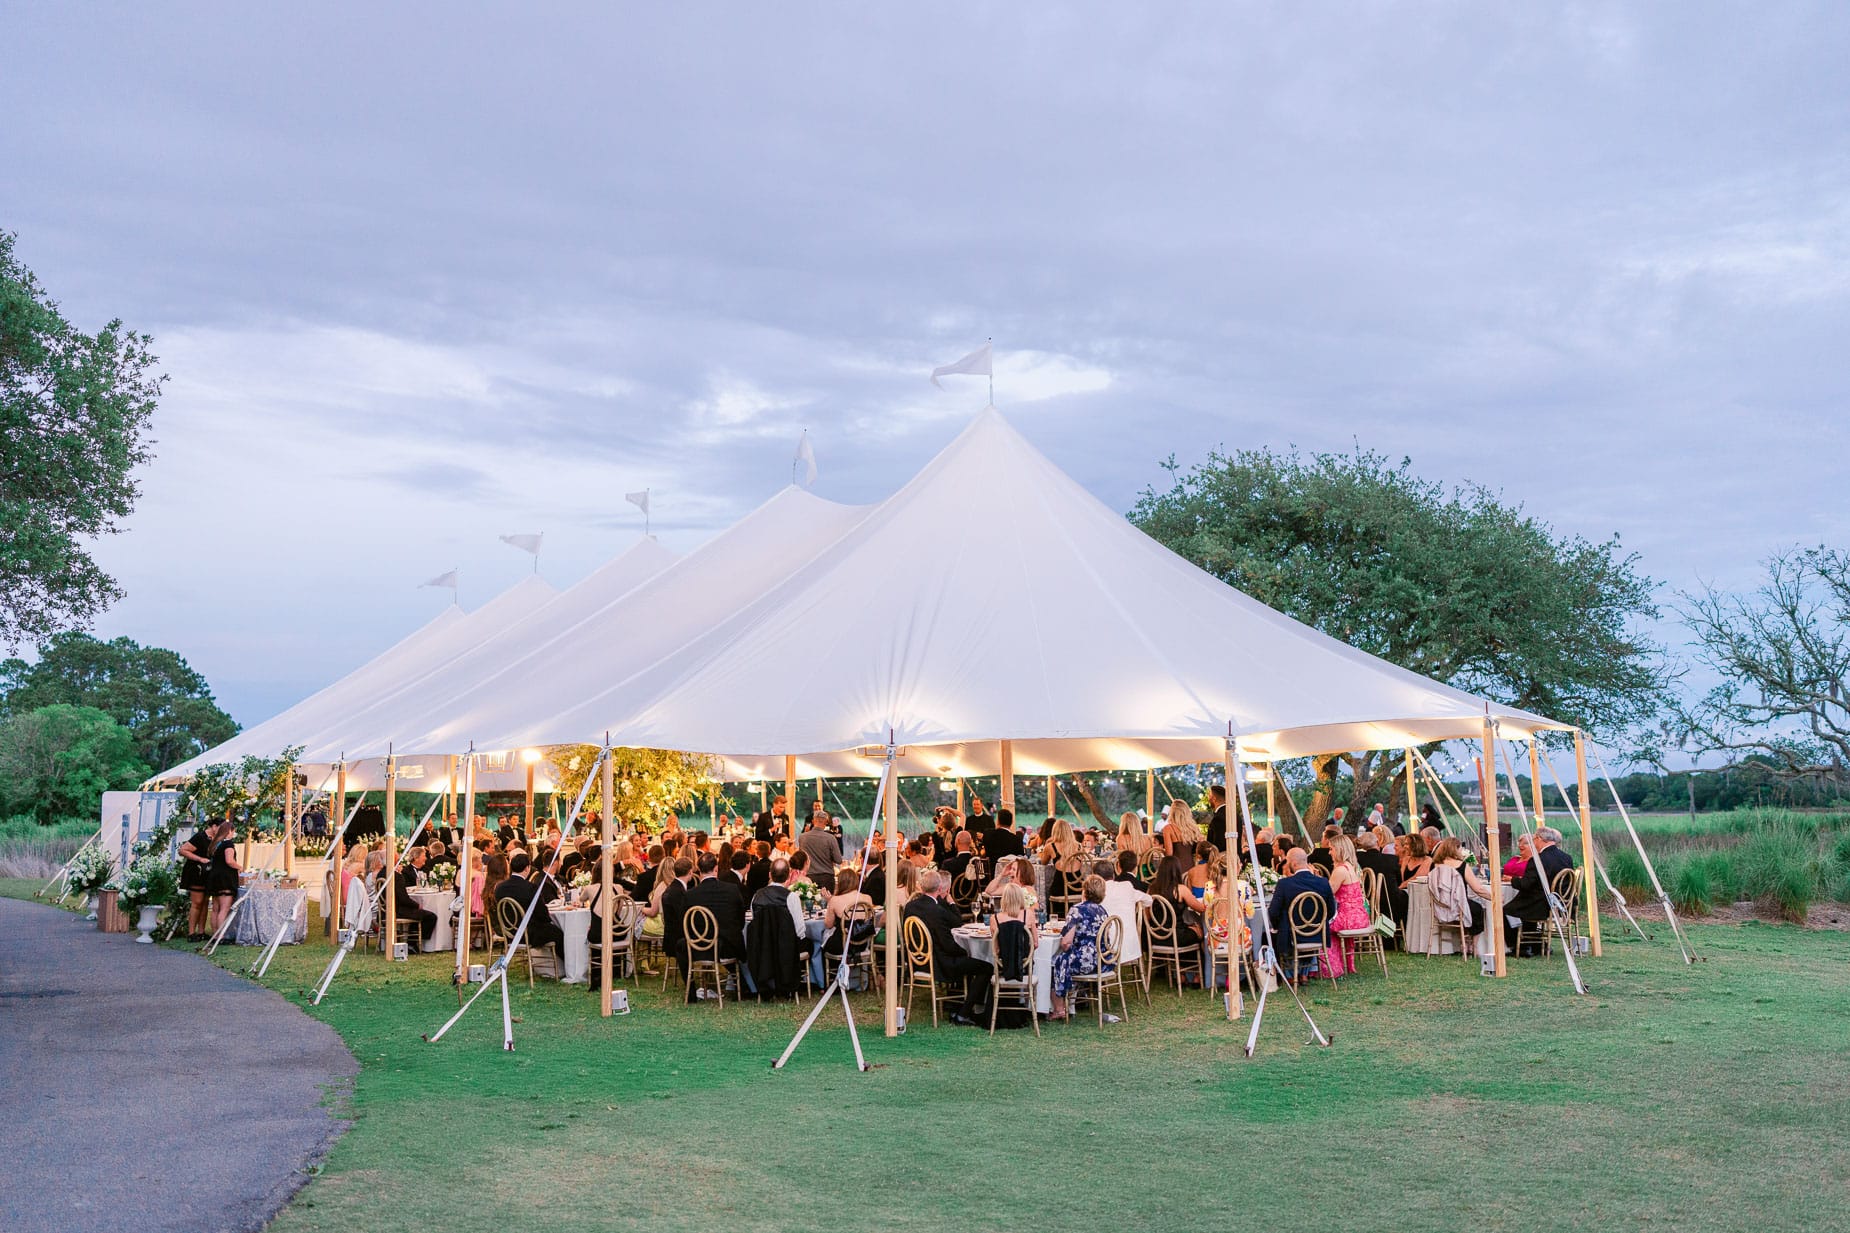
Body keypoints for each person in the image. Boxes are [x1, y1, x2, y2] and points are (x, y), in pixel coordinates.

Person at [902, 870, 990, 1024]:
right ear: (939, 889)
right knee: (986, 967)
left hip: (917, 961)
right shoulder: (937, 910)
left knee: (970, 963)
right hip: (940, 964)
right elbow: (948, 945)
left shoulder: (910, 906)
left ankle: (957, 1004)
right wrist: (967, 951)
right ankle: (964, 1013)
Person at [683, 852, 748, 999]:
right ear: (716, 868)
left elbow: (686, 922)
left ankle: (691, 992)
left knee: (681, 945)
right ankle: (742, 984)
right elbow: (741, 919)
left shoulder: (690, 894)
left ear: (699, 870)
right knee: (734, 937)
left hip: (699, 946)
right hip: (728, 947)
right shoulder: (732, 890)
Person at [1049, 875, 1113, 1021]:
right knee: (1067, 958)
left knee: (1055, 962)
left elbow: (1066, 943)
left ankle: (1059, 1008)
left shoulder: (1077, 910)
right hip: (1104, 961)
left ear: (1084, 891)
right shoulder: (1102, 911)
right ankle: (1072, 1003)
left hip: (1087, 962)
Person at [1503, 826, 1574, 953]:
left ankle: (1519, 947)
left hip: (1541, 904)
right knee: (1523, 906)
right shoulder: (1566, 857)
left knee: (1506, 910)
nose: (1533, 842)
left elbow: (1526, 884)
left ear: (1540, 839)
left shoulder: (1538, 859)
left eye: (1534, 839)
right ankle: (1536, 945)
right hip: (1562, 904)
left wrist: (1511, 880)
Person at [1267, 849, 1335, 979]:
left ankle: (1290, 975)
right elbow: (1331, 910)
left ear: (1293, 863)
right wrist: (1318, 924)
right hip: (1317, 933)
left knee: (1273, 932)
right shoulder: (1323, 882)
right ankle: (1304, 973)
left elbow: (1273, 911)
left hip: (1292, 935)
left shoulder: (1284, 884)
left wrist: (1277, 926)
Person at [746, 858, 805, 999]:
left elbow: (755, 924)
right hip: (786, 950)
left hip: (762, 950)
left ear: (769, 875)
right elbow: (800, 930)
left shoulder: (757, 896)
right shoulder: (791, 897)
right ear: (789, 874)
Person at [494, 852, 563, 957]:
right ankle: (564, 966)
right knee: (560, 933)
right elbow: (543, 915)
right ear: (527, 868)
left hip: (508, 931)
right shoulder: (530, 888)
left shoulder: (500, 888)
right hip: (528, 933)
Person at [1429, 837, 1492, 942]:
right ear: (1455, 849)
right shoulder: (1462, 865)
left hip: (1439, 906)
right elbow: (1478, 889)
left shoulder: (1434, 865)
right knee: (1478, 908)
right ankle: (1473, 945)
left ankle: (1464, 942)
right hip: (1459, 906)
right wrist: (1494, 897)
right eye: (1460, 848)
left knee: (1473, 906)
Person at [1323, 836, 1369, 977]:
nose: (1329, 852)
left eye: (1331, 849)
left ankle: (1329, 968)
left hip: (1347, 918)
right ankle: (1345, 964)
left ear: (1339, 849)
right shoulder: (1351, 866)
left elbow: (1328, 893)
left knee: (1321, 926)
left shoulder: (1340, 870)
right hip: (1359, 916)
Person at [1096, 858, 1152, 967]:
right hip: (1131, 947)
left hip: (1105, 949)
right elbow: (1148, 899)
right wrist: (1136, 907)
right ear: (1113, 874)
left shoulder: (1095, 893)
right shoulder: (1126, 886)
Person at [1148, 853, 1202, 952]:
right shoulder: (1180, 889)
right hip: (1176, 937)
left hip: (1155, 936)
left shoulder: (1152, 889)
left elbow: (1147, 915)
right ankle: (1201, 965)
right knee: (1200, 931)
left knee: (1191, 927)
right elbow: (1201, 908)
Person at [393, 850, 439, 951]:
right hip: (402, 907)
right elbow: (404, 896)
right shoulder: (404, 872)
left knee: (422, 914)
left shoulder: (427, 869)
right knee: (429, 916)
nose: (426, 858)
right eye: (423, 856)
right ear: (416, 857)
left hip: (405, 904)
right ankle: (414, 943)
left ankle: (415, 942)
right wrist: (416, 905)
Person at [178, 818, 216, 940]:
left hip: (207, 873)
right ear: (213, 826)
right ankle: (191, 932)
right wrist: (199, 859)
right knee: (197, 902)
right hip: (196, 871)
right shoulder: (200, 837)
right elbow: (182, 850)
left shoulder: (215, 839)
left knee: (205, 902)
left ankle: (201, 931)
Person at [207, 820, 242, 936]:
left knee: (215, 909)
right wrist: (241, 867)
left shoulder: (216, 844)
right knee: (224, 908)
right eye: (233, 832)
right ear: (229, 831)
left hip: (214, 877)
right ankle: (221, 936)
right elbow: (229, 860)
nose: (233, 834)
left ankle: (215, 934)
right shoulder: (228, 844)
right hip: (225, 879)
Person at [796, 814, 843, 890]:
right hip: (827, 878)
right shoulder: (830, 838)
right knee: (826, 901)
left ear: (813, 821)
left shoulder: (802, 837)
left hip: (809, 877)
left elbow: (801, 858)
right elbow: (839, 860)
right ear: (826, 822)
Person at [1160, 802, 1202, 866]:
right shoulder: (1194, 828)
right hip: (1191, 866)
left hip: (1175, 868)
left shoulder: (1168, 828)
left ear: (1172, 812)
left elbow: (1169, 854)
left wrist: (1162, 851)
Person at [1205, 784, 1229, 850]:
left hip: (1223, 858)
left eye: (1209, 796)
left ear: (1214, 799)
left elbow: (1216, 846)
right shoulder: (1235, 815)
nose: (1208, 799)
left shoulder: (1218, 818)